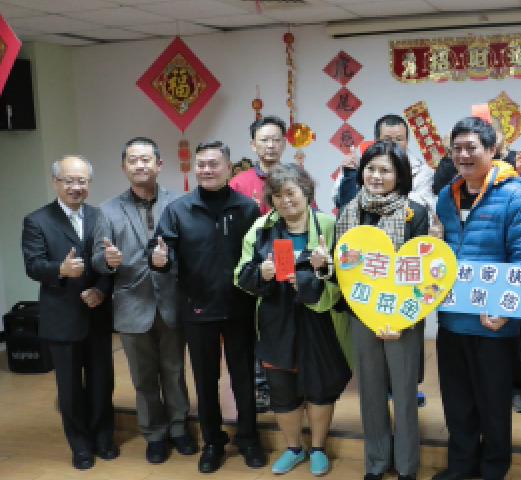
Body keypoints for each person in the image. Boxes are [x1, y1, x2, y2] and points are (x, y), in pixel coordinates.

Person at [431, 116, 521, 480]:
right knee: (457, 401)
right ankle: (461, 466)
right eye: (457, 149)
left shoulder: (516, 194)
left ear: (492, 150)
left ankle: (494, 468)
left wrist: (507, 310)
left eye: (471, 148)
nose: (463, 155)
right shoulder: (446, 195)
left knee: (493, 403)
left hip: (493, 321)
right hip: (452, 318)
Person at [148, 140, 265, 474]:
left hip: (240, 308)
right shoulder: (179, 210)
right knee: (205, 380)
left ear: (228, 168)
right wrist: (157, 259)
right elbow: (161, 250)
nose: (206, 170)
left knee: (244, 378)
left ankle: (249, 438)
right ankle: (213, 442)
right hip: (197, 309)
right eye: (201, 164)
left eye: (214, 164)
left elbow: (258, 254)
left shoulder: (247, 208)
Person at [235, 164, 350, 477]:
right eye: (277, 195)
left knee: (321, 387)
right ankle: (293, 447)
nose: (284, 200)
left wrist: (318, 273)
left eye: (290, 193)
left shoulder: (329, 224)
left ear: (306, 192)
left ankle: (318, 448)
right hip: (276, 319)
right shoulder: (261, 228)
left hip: (320, 319)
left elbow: (347, 276)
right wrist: (262, 274)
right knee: (282, 389)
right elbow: (240, 275)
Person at [92, 137, 196, 464]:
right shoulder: (107, 209)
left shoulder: (180, 203)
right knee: (143, 377)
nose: (140, 165)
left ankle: (179, 428)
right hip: (131, 304)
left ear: (159, 165)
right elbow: (96, 258)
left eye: (146, 159)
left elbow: (191, 252)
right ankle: (154, 433)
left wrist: (170, 260)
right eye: (133, 160)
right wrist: (106, 260)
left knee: (174, 371)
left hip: (171, 302)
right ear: (124, 167)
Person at [334, 140, 429, 480]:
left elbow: (418, 272)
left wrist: (400, 319)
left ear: (399, 175)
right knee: (370, 391)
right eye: (370, 168)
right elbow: (343, 267)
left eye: (385, 170)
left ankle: (406, 466)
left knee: (404, 393)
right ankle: (376, 462)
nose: (376, 176)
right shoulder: (349, 210)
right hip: (361, 313)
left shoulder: (415, 213)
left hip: (402, 317)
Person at [22, 155, 117, 470]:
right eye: (69, 180)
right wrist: (60, 270)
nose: (76, 187)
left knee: (102, 382)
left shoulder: (100, 215)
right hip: (62, 317)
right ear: (55, 182)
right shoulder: (37, 220)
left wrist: (101, 289)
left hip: (97, 313)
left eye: (82, 181)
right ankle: (80, 445)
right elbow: (33, 265)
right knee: (70, 388)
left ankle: (103, 437)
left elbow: (109, 262)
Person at [332, 114, 434, 212]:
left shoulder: (423, 171)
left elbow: (425, 204)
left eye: (399, 139)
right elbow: (338, 199)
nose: (394, 144)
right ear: (376, 141)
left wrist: (378, 199)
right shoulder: (359, 165)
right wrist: (350, 175)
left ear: (407, 141)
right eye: (387, 139)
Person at [230, 115, 289, 214]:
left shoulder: (297, 180)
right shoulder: (238, 183)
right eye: (264, 140)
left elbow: (312, 216)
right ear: (253, 145)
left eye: (276, 140)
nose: (270, 145)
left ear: (284, 144)